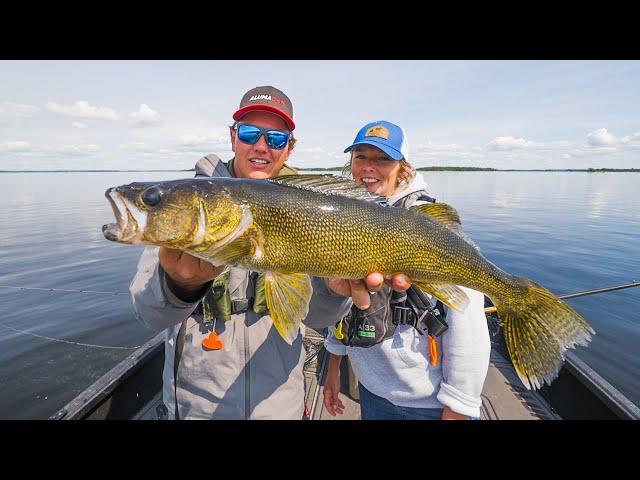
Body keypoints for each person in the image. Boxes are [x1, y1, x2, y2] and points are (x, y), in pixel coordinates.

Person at [130, 87, 410, 419]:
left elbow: (317, 319)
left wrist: (334, 294)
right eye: (250, 133)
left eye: (276, 139)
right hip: (197, 409)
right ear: (233, 137)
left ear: (289, 149)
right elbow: (150, 315)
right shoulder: (190, 208)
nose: (262, 146)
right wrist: (179, 285)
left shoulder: (308, 211)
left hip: (279, 406)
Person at [322, 120, 491, 420]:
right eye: (361, 156)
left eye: (383, 159)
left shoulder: (424, 225)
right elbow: (345, 301)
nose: (369, 167)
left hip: (426, 403)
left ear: (403, 168)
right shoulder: (343, 216)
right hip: (372, 390)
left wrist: (459, 407)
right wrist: (333, 366)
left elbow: (468, 320)